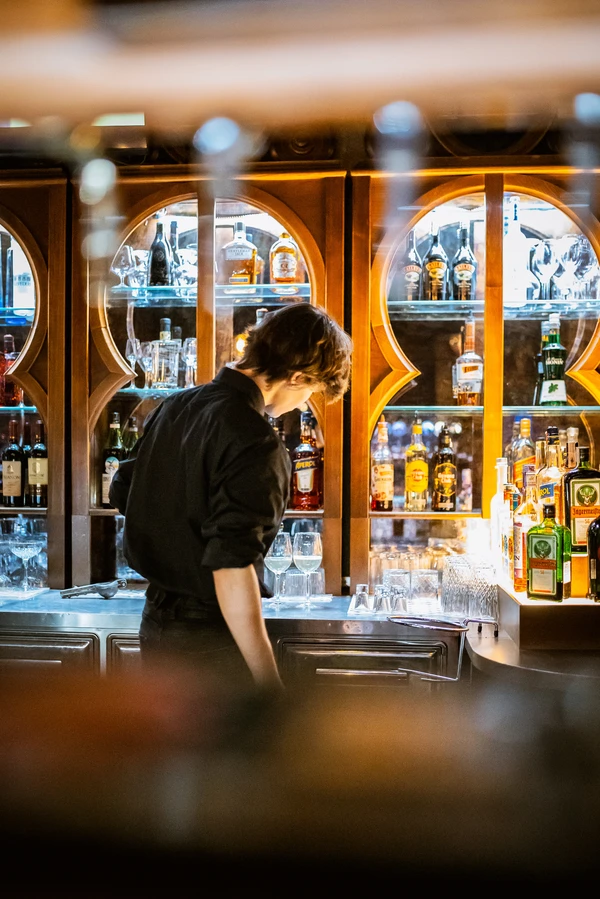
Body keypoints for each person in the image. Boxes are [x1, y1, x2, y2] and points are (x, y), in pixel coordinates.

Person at [109, 303, 352, 695]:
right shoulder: (256, 442)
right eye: (311, 391)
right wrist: (268, 680)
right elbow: (231, 566)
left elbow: (122, 488)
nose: (304, 402)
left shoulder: (176, 406)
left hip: (153, 624)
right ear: (297, 376)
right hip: (209, 642)